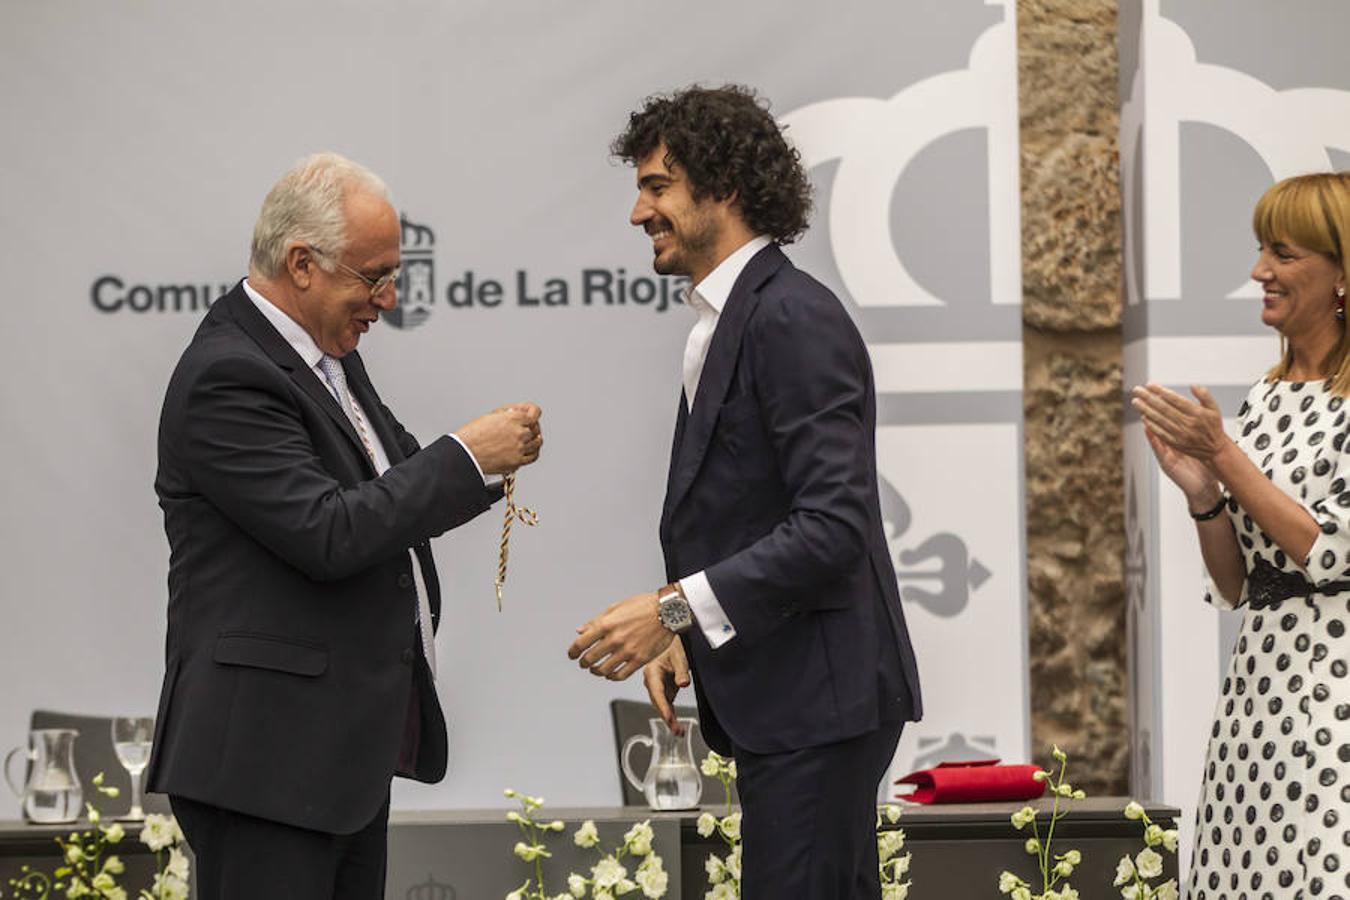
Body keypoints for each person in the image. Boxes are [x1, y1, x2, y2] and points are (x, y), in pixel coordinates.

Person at [144, 152, 543, 900]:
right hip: (265, 766)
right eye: (373, 276)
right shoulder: (227, 375)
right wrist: (466, 456)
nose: (387, 299)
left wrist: (487, 460)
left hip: (331, 761)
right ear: (302, 263)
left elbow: (392, 482)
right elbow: (328, 532)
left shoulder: (325, 357)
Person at [567, 85, 922, 897]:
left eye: (656, 187)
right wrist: (686, 634)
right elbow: (753, 517)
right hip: (792, 701)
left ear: (722, 189)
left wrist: (670, 609)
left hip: (819, 707)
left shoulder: (790, 317)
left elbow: (832, 528)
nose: (637, 212)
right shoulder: (732, 318)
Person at [1133, 172, 1350, 899]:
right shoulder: (1266, 393)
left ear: (1342, 272)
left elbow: (1329, 553)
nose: (1260, 272)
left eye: (1282, 253)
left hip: (1333, 701)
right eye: (1262, 250)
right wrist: (1203, 497)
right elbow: (1236, 585)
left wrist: (1225, 454)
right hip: (1257, 698)